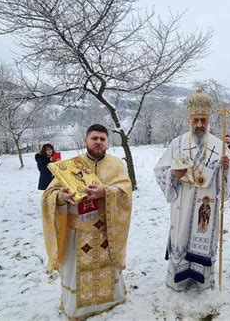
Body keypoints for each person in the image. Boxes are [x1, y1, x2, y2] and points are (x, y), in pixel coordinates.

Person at [41, 124, 132, 319]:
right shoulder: (69, 166)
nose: (98, 142)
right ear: (85, 141)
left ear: (107, 142)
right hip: (77, 232)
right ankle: (77, 308)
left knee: (108, 268)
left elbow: (126, 193)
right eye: (94, 138)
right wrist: (61, 197)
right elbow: (48, 194)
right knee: (75, 270)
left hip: (106, 230)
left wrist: (105, 192)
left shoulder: (116, 165)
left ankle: (111, 300)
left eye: (102, 139)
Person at [154, 90, 230, 291]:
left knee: (203, 238)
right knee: (181, 237)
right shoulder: (177, 143)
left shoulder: (219, 146)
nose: (199, 124)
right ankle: (179, 280)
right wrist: (174, 174)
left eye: (203, 120)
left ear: (209, 121)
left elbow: (229, 183)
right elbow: (160, 170)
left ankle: (202, 280)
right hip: (182, 201)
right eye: (195, 120)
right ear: (189, 119)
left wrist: (226, 169)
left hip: (206, 204)